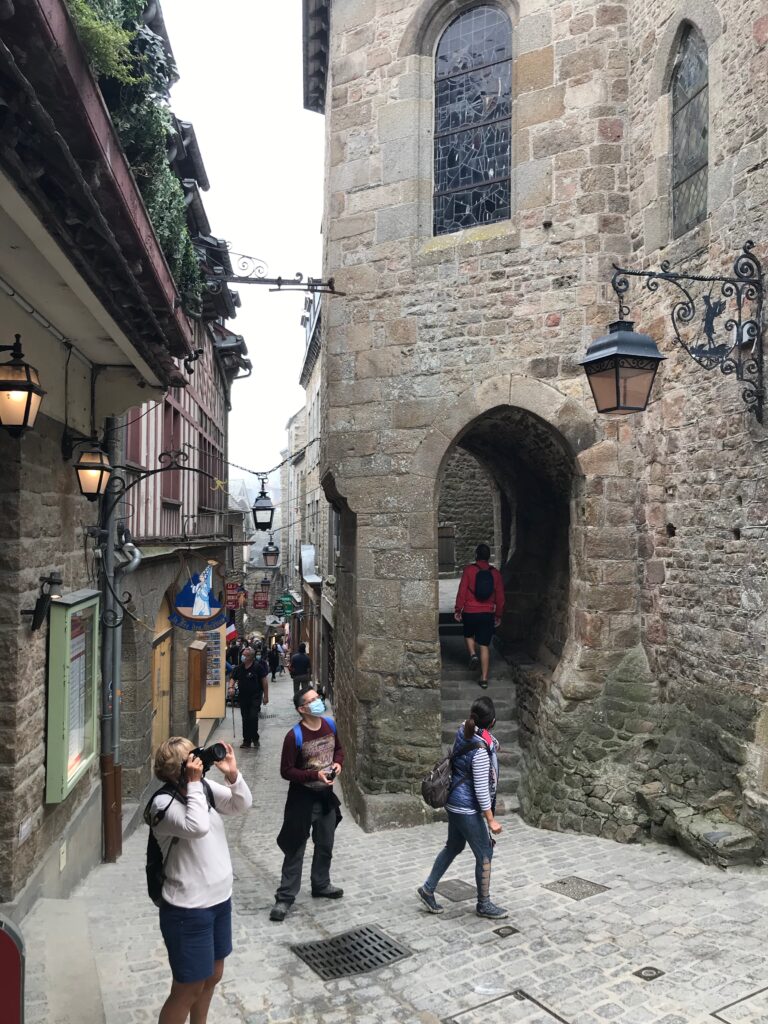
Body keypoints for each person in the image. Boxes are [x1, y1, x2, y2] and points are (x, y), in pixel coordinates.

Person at [150, 737, 252, 1024]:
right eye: (193, 757)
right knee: (188, 988)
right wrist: (194, 783)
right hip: (188, 910)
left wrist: (233, 776)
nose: (200, 760)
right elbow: (197, 826)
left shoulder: (202, 788)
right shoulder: (162, 803)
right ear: (180, 768)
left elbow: (241, 804)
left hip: (219, 901)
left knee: (212, 976)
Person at [417, 697, 507, 920]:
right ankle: (484, 904)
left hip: (454, 803)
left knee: (454, 846)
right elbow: (481, 790)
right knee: (485, 853)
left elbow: (487, 740)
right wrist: (491, 820)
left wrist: (493, 745)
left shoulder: (463, 729)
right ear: (492, 722)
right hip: (466, 808)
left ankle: (428, 889)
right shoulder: (480, 753)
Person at [269, 687, 344, 922]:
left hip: (325, 797)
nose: (318, 701)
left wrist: (338, 764)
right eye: (313, 700)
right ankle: (285, 897)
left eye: (318, 698)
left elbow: (339, 750)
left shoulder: (330, 725)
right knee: (295, 848)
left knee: (325, 843)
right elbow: (286, 771)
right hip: (301, 800)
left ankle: (321, 884)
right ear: (302, 709)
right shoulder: (294, 737)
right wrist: (314, 775)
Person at [454, 543, 505, 689]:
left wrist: (458, 610)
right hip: (487, 613)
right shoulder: (495, 573)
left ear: (476, 555)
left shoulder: (469, 570)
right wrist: (498, 615)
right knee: (484, 645)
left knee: (468, 635)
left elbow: (462, 591)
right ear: (489, 556)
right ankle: (484, 679)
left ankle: (472, 654)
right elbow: (500, 597)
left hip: (470, 611)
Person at [231, 647, 268, 748]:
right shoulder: (239, 668)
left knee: (253, 717)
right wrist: (231, 687)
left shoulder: (258, 667)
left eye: (244, 655)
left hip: (255, 697)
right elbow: (233, 678)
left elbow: (264, 681)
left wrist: (266, 696)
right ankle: (246, 741)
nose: (242, 657)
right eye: (242, 655)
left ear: (250, 657)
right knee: (245, 719)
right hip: (243, 697)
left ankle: (255, 738)